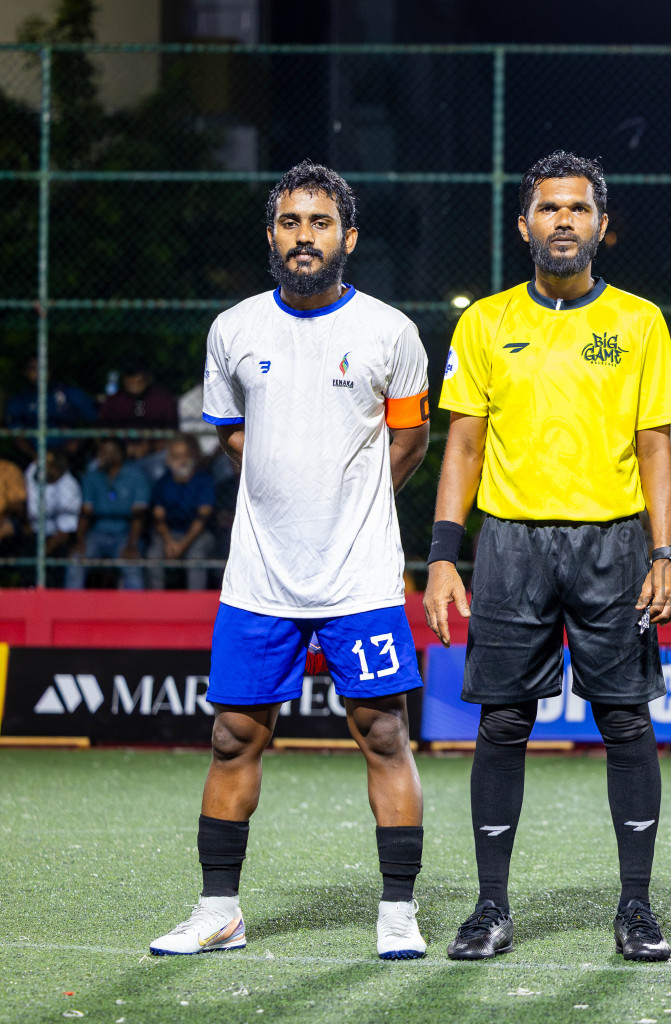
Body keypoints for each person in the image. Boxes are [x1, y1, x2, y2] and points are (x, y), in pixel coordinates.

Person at [149, 161, 432, 961]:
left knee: (384, 732)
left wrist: (348, 503)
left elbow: (410, 439)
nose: (304, 236)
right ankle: (219, 912)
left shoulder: (390, 331)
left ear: (349, 236)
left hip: (359, 577)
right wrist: (291, 492)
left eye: (319, 222)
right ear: (271, 235)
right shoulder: (234, 329)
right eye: (289, 222)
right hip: (260, 578)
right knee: (232, 736)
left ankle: (398, 911)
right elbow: (233, 434)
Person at [424, 151, 671, 963]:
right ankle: (490, 907)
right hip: (511, 544)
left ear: (602, 226)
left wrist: (667, 553)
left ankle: (636, 907)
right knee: (503, 721)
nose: (563, 220)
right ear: (524, 225)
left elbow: (657, 448)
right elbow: (463, 447)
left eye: (578, 208)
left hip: (613, 542)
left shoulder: (639, 322)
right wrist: (442, 557)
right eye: (549, 208)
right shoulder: (485, 323)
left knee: (625, 719)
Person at [67, 436, 149, 589]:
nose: (100, 456)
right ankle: (72, 604)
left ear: (119, 455)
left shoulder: (136, 476)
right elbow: (86, 512)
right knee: (76, 560)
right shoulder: (92, 476)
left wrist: (132, 545)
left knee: (132, 565)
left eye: (105, 452)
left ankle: (136, 605)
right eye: (99, 451)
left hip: (125, 533)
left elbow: (138, 516)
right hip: (98, 533)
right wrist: (79, 541)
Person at [146, 435, 218, 590]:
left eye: (186, 455)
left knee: (196, 555)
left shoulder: (204, 481)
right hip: (169, 533)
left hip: (198, 534)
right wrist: (169, 541)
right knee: (154, 554)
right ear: (169, 460)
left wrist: (182, 546)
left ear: (193, 458)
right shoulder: (162, 483)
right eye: (177, 456)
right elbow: (159, 518)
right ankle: (155, 601)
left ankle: (195, 601)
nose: (182, 460)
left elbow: (202, 518)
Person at [6, 357, 97, 460]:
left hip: (68, 455)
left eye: (43, 368)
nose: (39, 373)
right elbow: (16, 435)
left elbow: (92, 422)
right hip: (32, 456)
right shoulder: (19, 400)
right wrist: (37, 457)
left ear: (50, 371)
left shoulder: (69, 393)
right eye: (33, 369)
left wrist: (78, 441)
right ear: (26, 373)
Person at [25, 447, 83, 567]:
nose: (39, 464)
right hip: (29, 529)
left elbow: (64, 533)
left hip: (53, 537)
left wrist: (41, 555)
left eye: (46, 464)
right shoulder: (34, 470)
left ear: (56, 468)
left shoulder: (69, 487)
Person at [98, 362, 179, 429]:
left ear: (147, 379)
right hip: (121, 443)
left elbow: (172, 429)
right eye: (130, 383)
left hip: (158, 443)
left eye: (138, 382)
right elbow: (102, 429)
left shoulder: (163, 399)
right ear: (124, 380)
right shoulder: (113, 401)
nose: (134, 387)